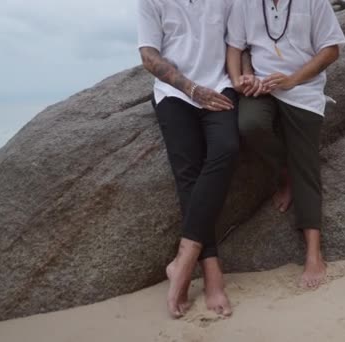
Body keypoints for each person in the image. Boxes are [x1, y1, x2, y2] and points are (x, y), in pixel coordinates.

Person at [226, 0, 345, 288]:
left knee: (305, 163)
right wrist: (239, 80)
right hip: (261, 88)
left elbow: (331, 49)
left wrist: (293, 79)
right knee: (249, 125)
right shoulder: (245, 4)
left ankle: (314, 254)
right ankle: (283, 173)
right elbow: (235, 47)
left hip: (302, 88)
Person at [137, 0, 239, 318]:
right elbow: (148, 55)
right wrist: (190, 88)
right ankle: (211, 271)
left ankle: (184, 256)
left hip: (220, 85)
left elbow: (237, 43)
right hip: (175, 94)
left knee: (227, 148)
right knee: (188, 173)